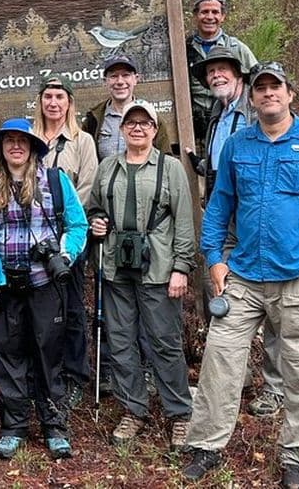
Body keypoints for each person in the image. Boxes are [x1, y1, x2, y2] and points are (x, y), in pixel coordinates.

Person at [183, 62, 299, 488]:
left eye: (275, 87)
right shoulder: (238, 144)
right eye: (260, 89)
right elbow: (219, 203)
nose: (268, 94)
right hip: (242, 276)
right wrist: (214, 259)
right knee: (220, 359)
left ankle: (294, 454)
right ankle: (206, 445)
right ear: (252, 98)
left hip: (297, 277)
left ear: (290, 93)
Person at [0, 118, 88, 460]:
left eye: (22, 141)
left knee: (49, 354)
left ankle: (54, 426)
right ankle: (13, 427)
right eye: (8, 141)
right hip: (5, 285)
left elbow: (78, 224)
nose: (15, 146)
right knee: (9, 357)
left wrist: (65, 254)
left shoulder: (54, 181)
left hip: (45, 285)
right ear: (1, 148)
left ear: (33, 147)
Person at [87, 100, 195, 449]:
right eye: (130, 122)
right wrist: (96, 224)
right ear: (121, 129)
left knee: (164, 342)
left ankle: (179, 412)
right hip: (116, 268)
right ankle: (134, 408)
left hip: (159, 269)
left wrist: (182, 266)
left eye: (144, 123)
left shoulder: (170, 167)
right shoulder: (108, 167)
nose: (137, 127)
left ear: (154, 129)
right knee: (120, 341)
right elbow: (93, 209)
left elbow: (184, 219)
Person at [189, 46, 285, 416]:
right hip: (224, 215)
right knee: (223, 293)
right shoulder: (218, 113)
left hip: (258, 221)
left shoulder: (257, 111)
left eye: (223, 70)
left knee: (275, 302)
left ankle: (275, 387)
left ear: (240, 76)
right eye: (211, 71)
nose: (216, 76)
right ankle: (235, 376)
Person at [81, 54, 157, 397]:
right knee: (109, 298)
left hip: (144, 226)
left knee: (147, 298)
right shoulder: (95, 118)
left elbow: (164, 164)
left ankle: (146, 369)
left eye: (126, 75)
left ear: (136, 79)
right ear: (106, 81)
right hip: (105, 223)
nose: (120, 81)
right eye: (113, 76)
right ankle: (113, 369)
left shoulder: (152, 118)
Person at [33, 74, 98, 411]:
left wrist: (64, 229)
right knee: (39, 310)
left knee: (71, 308)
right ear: (40, 102)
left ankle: (74, 376)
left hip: (69, 237)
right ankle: (43, 376)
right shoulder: (28, 139)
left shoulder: (82, 141)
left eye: (60, 97)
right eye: (48, 96)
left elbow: (87, 186)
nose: (53, 103)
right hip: (31, 239)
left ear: (69, 102)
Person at [187, 0, 256, 154]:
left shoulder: (236, 48)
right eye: (204, 12)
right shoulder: (184, 49)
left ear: (223, 16)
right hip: (196, 128)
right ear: (196, 16)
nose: (210, 17)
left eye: (215, 12)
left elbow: (256, 80)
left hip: (233, 121)